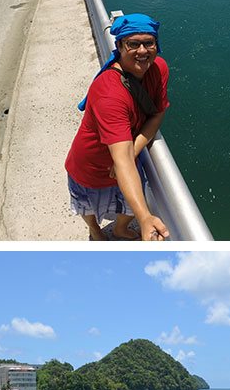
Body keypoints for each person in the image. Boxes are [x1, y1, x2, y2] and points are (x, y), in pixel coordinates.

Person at [65, 13, 171, 242]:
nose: (142, 51)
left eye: (148, 43)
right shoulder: (109, 93)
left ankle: (120, 229)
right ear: (120, 45)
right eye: (133, 44)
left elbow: (158, 113)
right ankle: (95, 231)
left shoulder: (159, 68)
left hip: (123, 161)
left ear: (156, 44)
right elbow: (121, 161)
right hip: (91, 166)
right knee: (88, 209)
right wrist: (145, 218)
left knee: (128, 205)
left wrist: (133, 150)